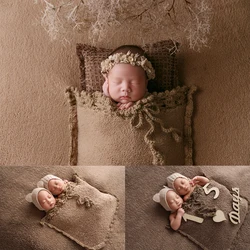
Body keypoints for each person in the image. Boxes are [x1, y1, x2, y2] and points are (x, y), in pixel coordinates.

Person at [101, 45, 155, 110]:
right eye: (117, 82)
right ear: (107, 81)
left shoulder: (150, 102)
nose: (125, 88)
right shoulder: (100, 101)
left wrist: (137, 106)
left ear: (145, 83)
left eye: (135, 82)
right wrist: (107, 95)